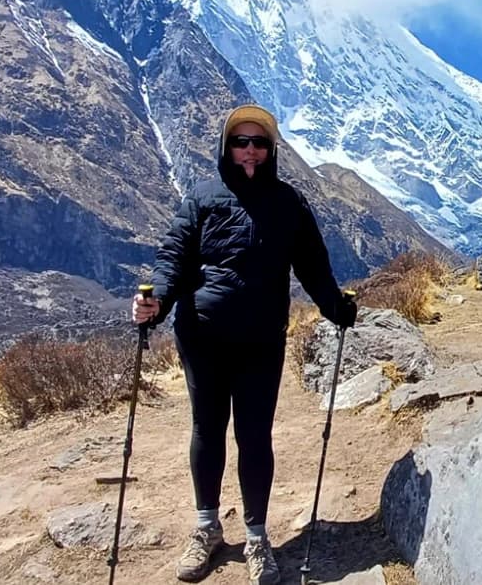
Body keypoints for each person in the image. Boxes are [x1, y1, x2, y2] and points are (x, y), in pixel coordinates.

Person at [132, 104, 357, 585]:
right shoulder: (202, 198)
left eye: (258, 143)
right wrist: (157, 302)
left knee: (254, 436)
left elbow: (312, 266)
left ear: (270, 150)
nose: (249, 151)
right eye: (241, 142)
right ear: (227, 147)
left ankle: (256, 537)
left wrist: (336, 307)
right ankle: (207, 528)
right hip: (203, 335)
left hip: (260, 339)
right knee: (207, 429)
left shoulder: (289, 204)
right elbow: (173, 257)